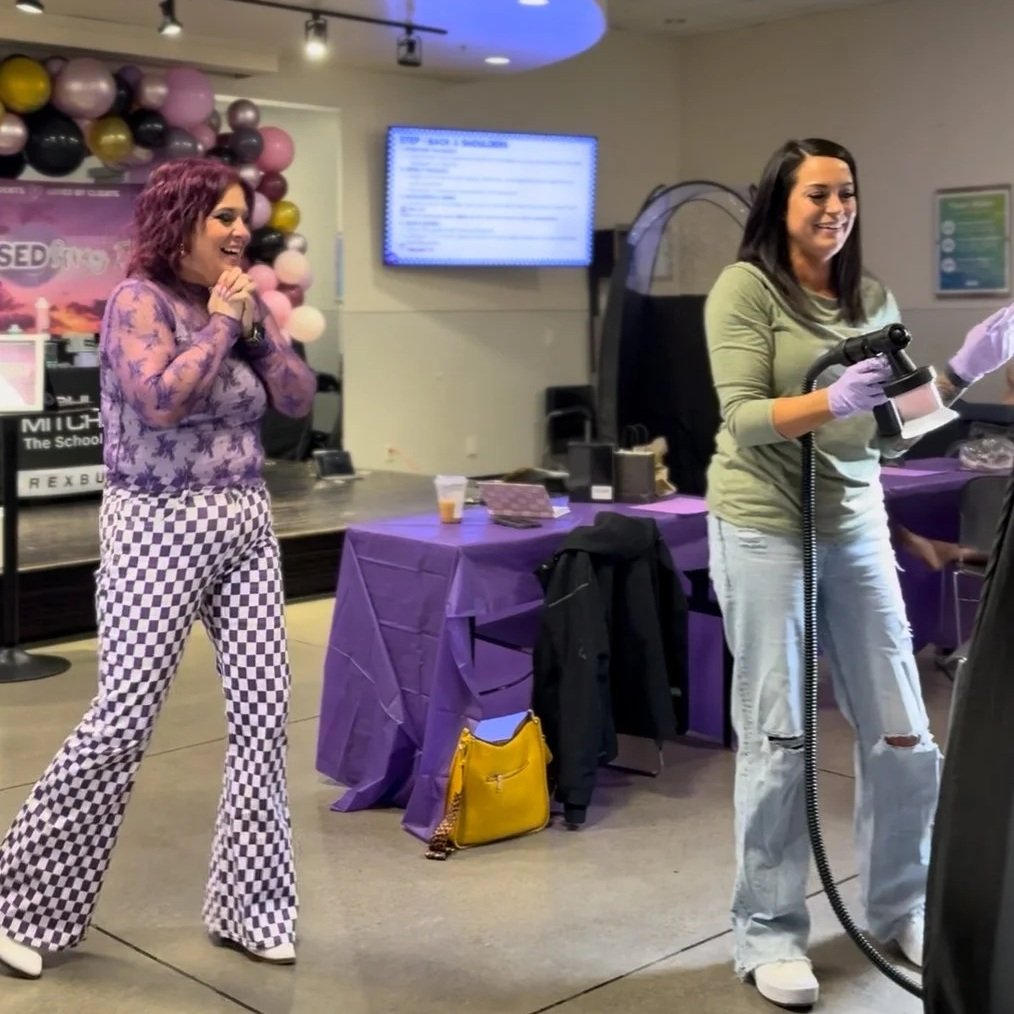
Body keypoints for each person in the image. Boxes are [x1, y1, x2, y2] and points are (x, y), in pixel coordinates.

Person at [704, 137, 1014, 1009]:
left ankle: (899, 903)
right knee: (780, 737)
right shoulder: (746, 289)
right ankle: (767, 934)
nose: (834, 208)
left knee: (905, 731)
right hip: (764, 526)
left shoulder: (870, 295)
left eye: (845, 193)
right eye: (816, 195)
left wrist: (962, 367)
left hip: (853, 525)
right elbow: (744, 418)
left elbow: (895, 430)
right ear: (780, 202)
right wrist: (827, 398)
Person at [0, 158, 317, 979]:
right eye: (221, 217)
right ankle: (21, 906)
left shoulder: (243, 305)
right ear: (179, 223)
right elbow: (159, 400)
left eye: (242, 216)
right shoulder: (138, 302)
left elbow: (295, 397)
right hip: (157, 526)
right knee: (123, 720)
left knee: (264, 713)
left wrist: (252, 329)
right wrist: (218, 327)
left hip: (244, 520)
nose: (240, 230)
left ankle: (250, 907)